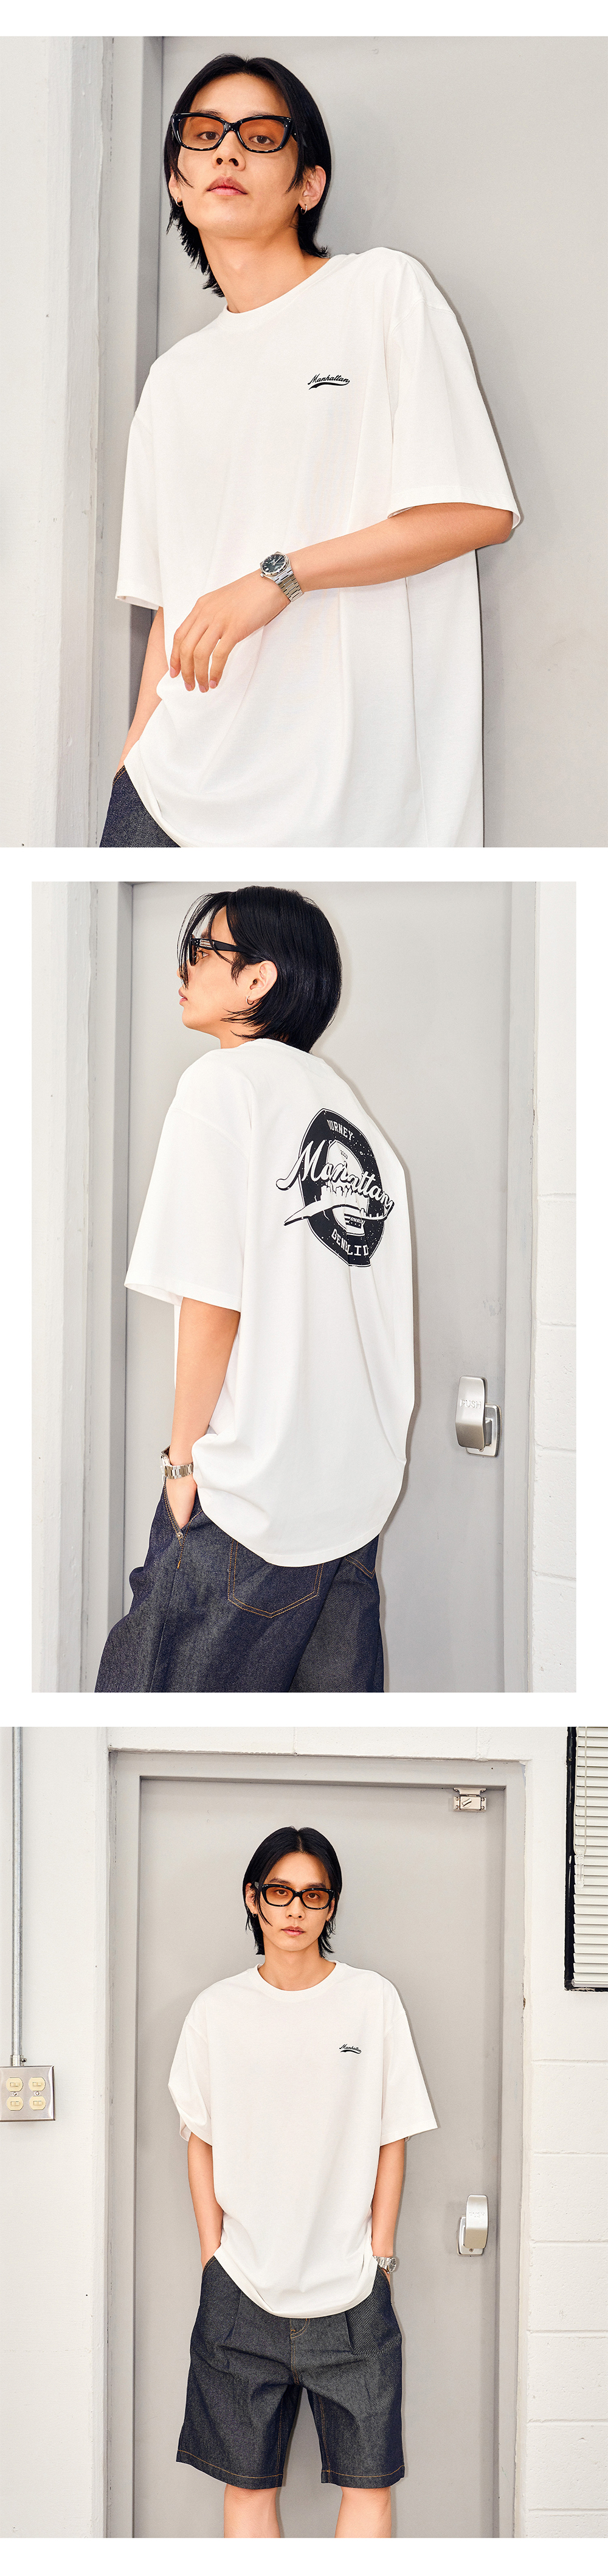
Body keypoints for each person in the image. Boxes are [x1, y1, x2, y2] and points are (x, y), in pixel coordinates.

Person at [100, 50, 519, 854]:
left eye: (261, 136)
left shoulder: (382, 291)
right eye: (204, 134)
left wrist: (277, 578)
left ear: (309, 183)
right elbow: (171, 609)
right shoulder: (172, 381)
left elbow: (476, 512)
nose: (228, 151)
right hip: (167, 794)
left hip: (345, 799)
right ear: (178, 182)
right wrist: (129, 766)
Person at [95, 883, 414, 1694]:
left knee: (154, 1706)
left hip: (249, 1502)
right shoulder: (353, 1119)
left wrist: (180, 1463)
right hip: (349, 1504)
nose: (186, 968)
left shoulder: (222, 1087)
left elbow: (213, 1300)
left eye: (204, 949)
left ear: (258, 979)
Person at [168, 1824, 437, 2539]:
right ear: (252, 1898)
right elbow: (200, 2139)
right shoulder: (216, 2010)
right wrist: (212, 2255)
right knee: (247, 2488)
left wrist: (380, 2255)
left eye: (313, 1894)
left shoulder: (371, 1999)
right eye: (280, 1891)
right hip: (241, 2286)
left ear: (331, 1905)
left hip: (351, 2290)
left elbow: (392, 2136)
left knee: (370, 2485)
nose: (295, 1908)